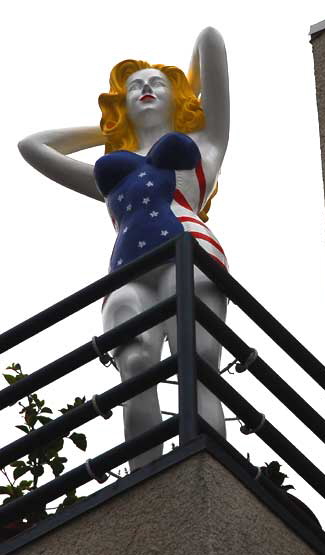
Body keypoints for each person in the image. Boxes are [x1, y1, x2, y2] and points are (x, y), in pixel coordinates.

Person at [18, 27, 230, 470]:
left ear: (180, 96)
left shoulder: (207, 143)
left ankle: (209, 465)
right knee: (134, 366)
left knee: (200, 362)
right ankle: (146, 479)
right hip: (127, 271)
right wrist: (111, 130)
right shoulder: (108, 174)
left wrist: (184, 90)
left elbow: (210, 40)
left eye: (158, 84)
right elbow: (33, 146)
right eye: (135, 87)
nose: (147, 89)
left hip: (189, 251)